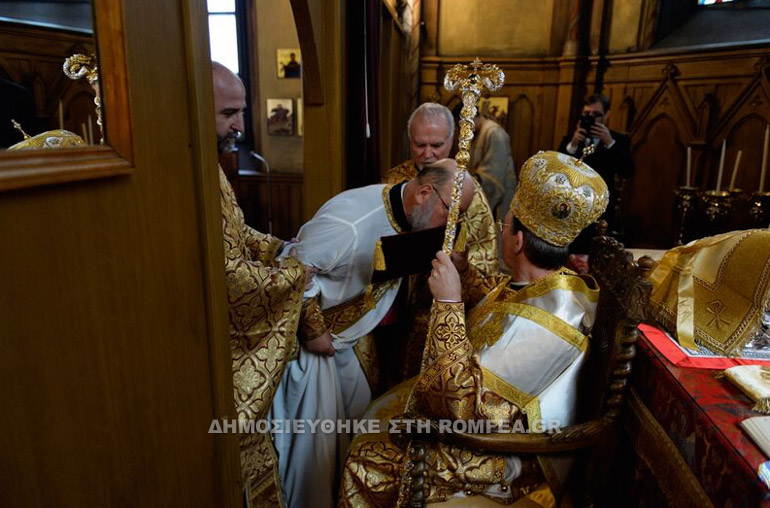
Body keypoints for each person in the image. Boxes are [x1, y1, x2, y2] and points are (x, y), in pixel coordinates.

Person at [339, 150, 609, 508]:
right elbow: (502, 311)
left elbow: (461, 407)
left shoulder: (551, 324)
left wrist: (449, 304)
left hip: (504, 456)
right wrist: (465, 276)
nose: (500, 231)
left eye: (505, 224)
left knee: (369, 459)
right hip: (490, 421)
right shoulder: (549, 285)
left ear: (517, 241)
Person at [270, 159, 474, 508]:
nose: (453, 225)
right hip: (315, 349)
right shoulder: (349, 223)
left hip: (352, 341)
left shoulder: (414, 214)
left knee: (357, 428)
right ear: (425, 193)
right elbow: (291, 268)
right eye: (451, 212)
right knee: (314, 452)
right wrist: (313, 330)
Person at [212, 61, 315, 508]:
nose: (240, 124)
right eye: (229, 113)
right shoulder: (181, 173)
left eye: (241, 111)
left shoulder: (208, 167)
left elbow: (235, 232)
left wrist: (277, 248)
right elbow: (225, 272)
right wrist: (293, 275)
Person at [383, 102, 499, 382]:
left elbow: (485, 263)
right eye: (419, 144)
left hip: (435, 314)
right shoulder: (393, 180)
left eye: (436, 145)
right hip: (391, 307)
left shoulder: (470, 193)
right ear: (409, 140)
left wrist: (460, 268)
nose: (427, 154)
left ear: (452, 141)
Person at [557, 93, 634, 249]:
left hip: (601, 210)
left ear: (607, 115)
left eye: (596, 115)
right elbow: (558, 171)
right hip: (572, 208)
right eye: (586, 114)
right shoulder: (570, 139)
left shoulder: (618, 140)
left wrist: (609, 143)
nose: (591, 118)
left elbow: (627, 171)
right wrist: (572, 146)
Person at [470, 113, 516, 222]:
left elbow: (494, 173)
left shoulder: (494, 132)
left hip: (499, 192)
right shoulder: (477, 133)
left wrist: (472, 182)